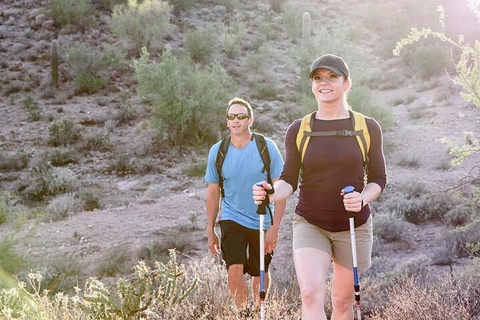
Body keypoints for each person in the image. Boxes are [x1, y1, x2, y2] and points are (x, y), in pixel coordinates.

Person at [253, 54, 387, 320]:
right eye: (317, 78)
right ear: (312, 85)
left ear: (346, 83)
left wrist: (362, 199)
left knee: (341, 301)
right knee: (311, 294)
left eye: (332, 77)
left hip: (353, 224)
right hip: (310, 222)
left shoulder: (367, 127)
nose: (324, 83)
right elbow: (289, 179)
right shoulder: (299, 129)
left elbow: (378, 179)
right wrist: (271, 193)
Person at [205, 97, 287, 312]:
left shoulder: (266, 148)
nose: (236, 120)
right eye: (231, 117)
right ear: (227, 122)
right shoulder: (218, 151)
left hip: (262, 218)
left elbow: (281, 191)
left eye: (241, 116)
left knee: (260, 271)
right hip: (232, 217)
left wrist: (275, 228)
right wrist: (210, 229)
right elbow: (213, 192)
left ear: (250, 120)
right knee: (234, 267)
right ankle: (242, 313)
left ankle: (261, 310)